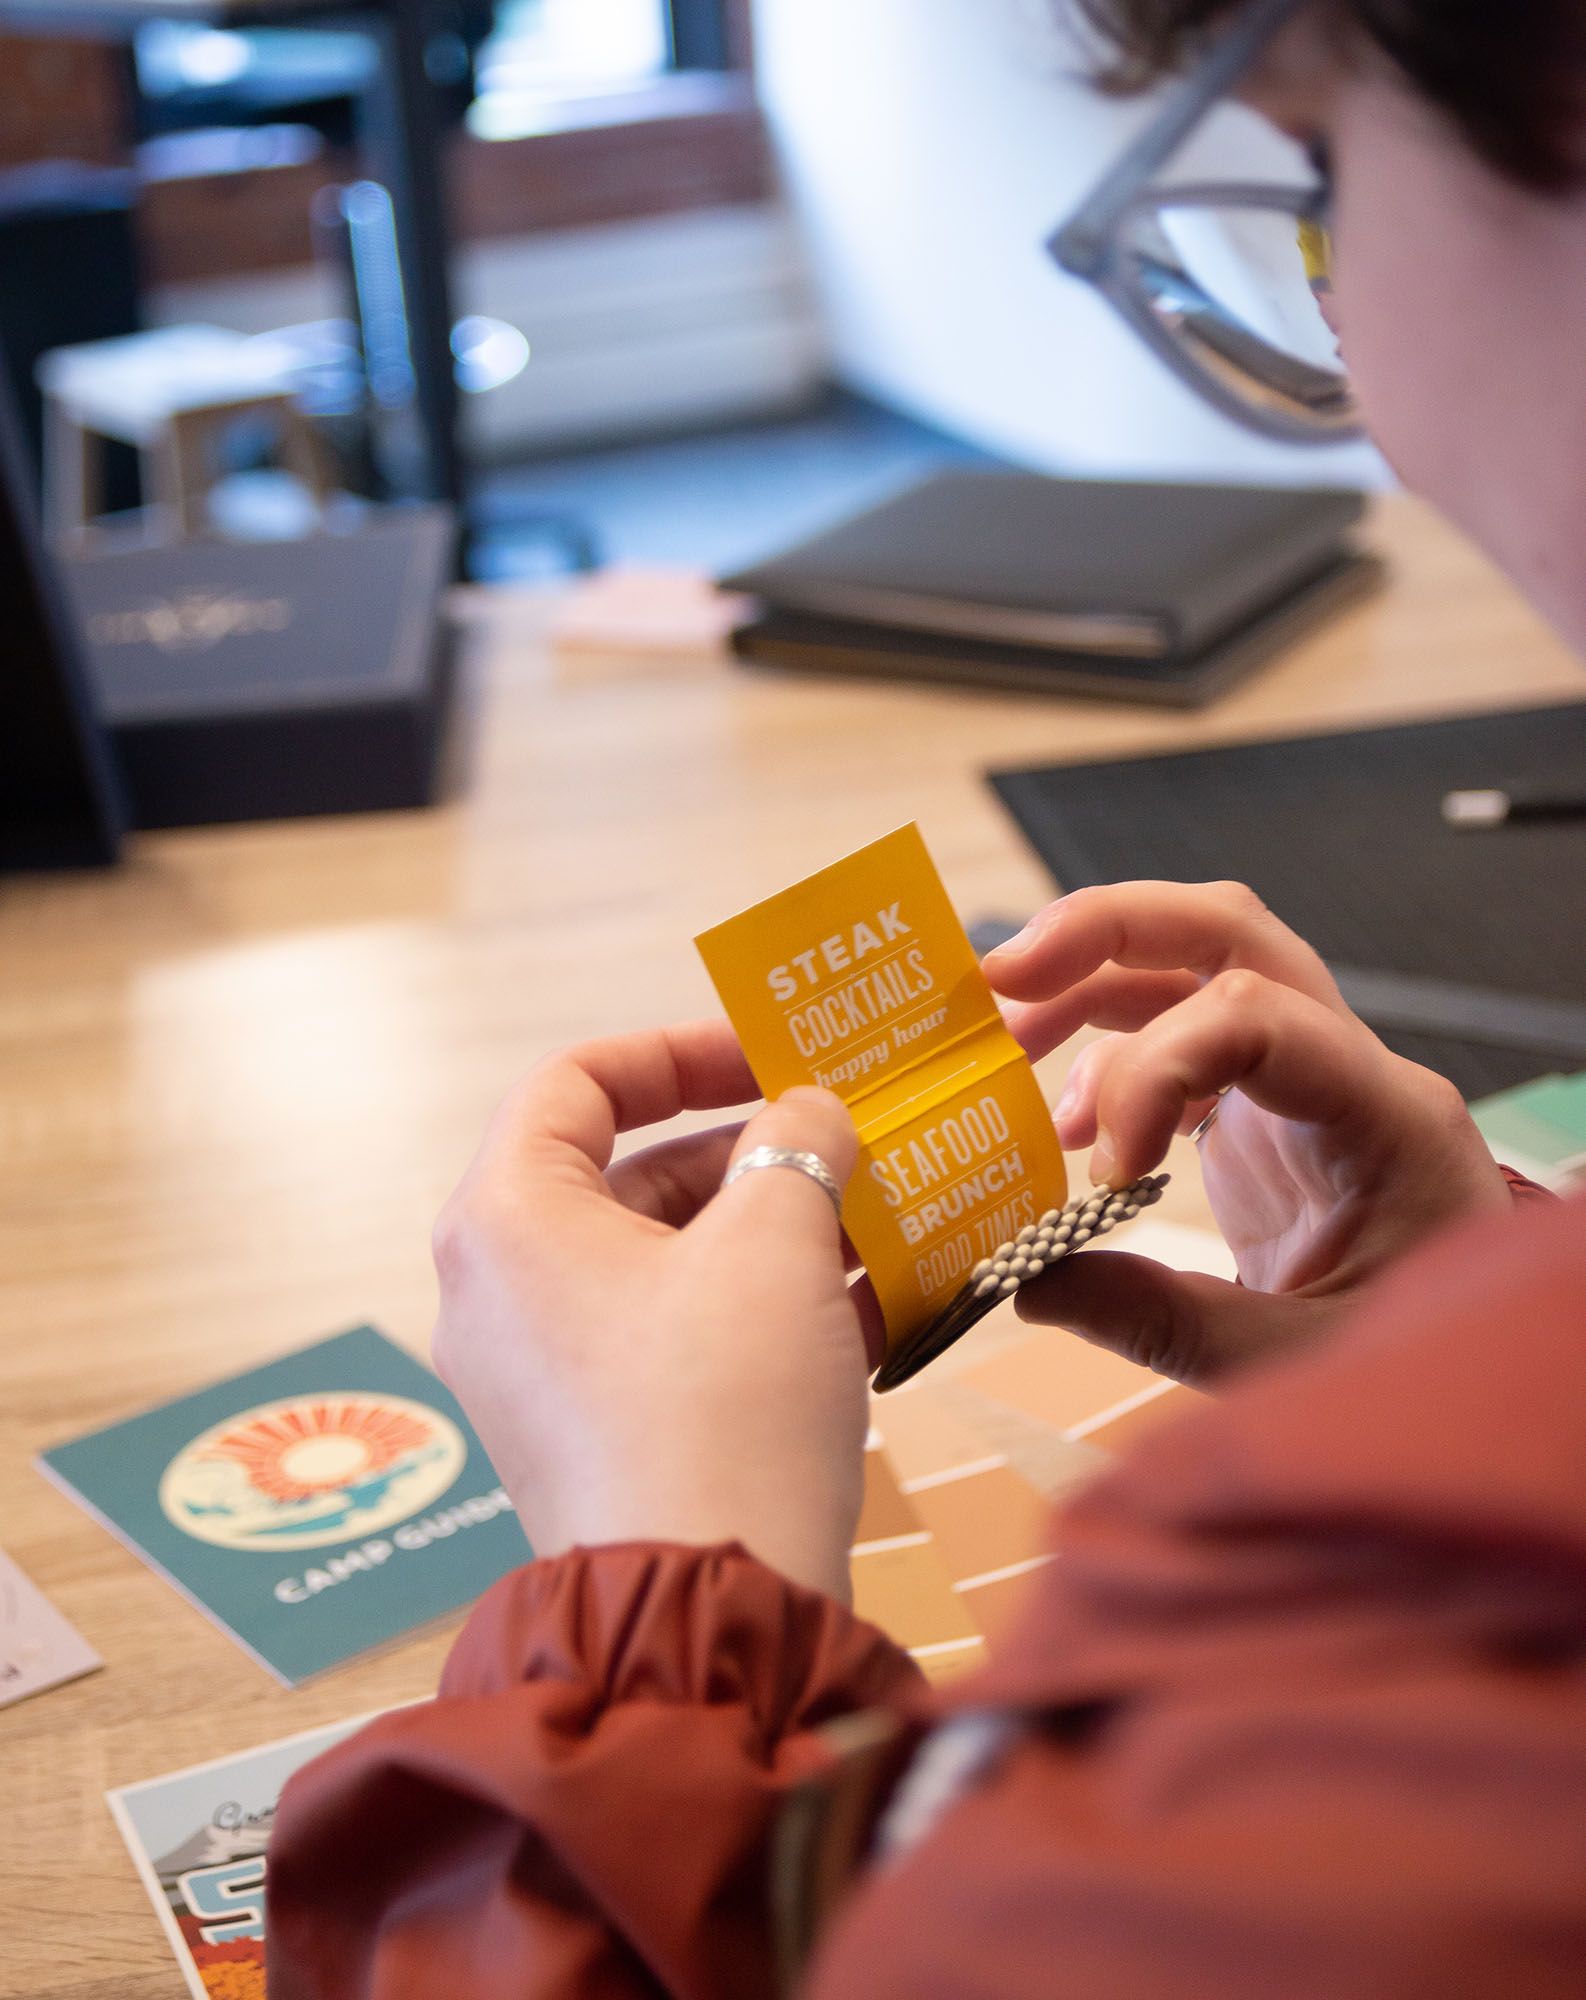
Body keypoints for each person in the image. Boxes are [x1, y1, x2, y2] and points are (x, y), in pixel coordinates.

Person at [267, 0, 1586, 1991]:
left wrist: (657, 1612)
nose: (1353, 367)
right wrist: (1504, 1340)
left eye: (1317, 174)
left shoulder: (1265, 1653)